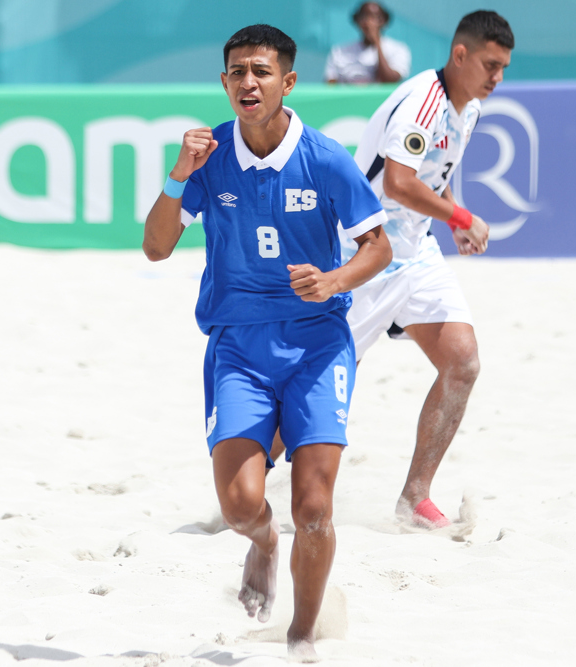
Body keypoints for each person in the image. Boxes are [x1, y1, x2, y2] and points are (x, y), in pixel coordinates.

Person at [143, 24, 391, 661]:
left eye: (259, 71)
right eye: (235, 73)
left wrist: (332, 280)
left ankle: (303, 634)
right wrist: (177, 175)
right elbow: (157, 246)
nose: (247, 83)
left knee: (313, 507)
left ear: (288, 81)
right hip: (239, 346)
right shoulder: (209, 156)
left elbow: (378, 248)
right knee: (240, 506)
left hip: (316, 344)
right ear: (223, 82)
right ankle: (262, 545)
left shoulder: (326, 158)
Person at [273, 10, 514, 530]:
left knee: (463, 363)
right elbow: (401, 183)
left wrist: (448, 218)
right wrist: (463, 216)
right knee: (315, 380)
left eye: (504, 68)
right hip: (366, 252)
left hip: (416, 252)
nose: (497, 78)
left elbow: (434, 173)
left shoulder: (467, 107)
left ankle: (415, 497)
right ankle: (242, 479)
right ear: (460, 55)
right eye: (490, 65)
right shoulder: (423, 101)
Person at [324, 2, 411, 84]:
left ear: (384, 21)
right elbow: (330, 86)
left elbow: (390, 81)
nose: (369, 22)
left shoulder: (398, 49)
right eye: (364, 17)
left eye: (375, 17)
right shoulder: (339, 52)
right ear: (357, 21)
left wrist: (377, 42)